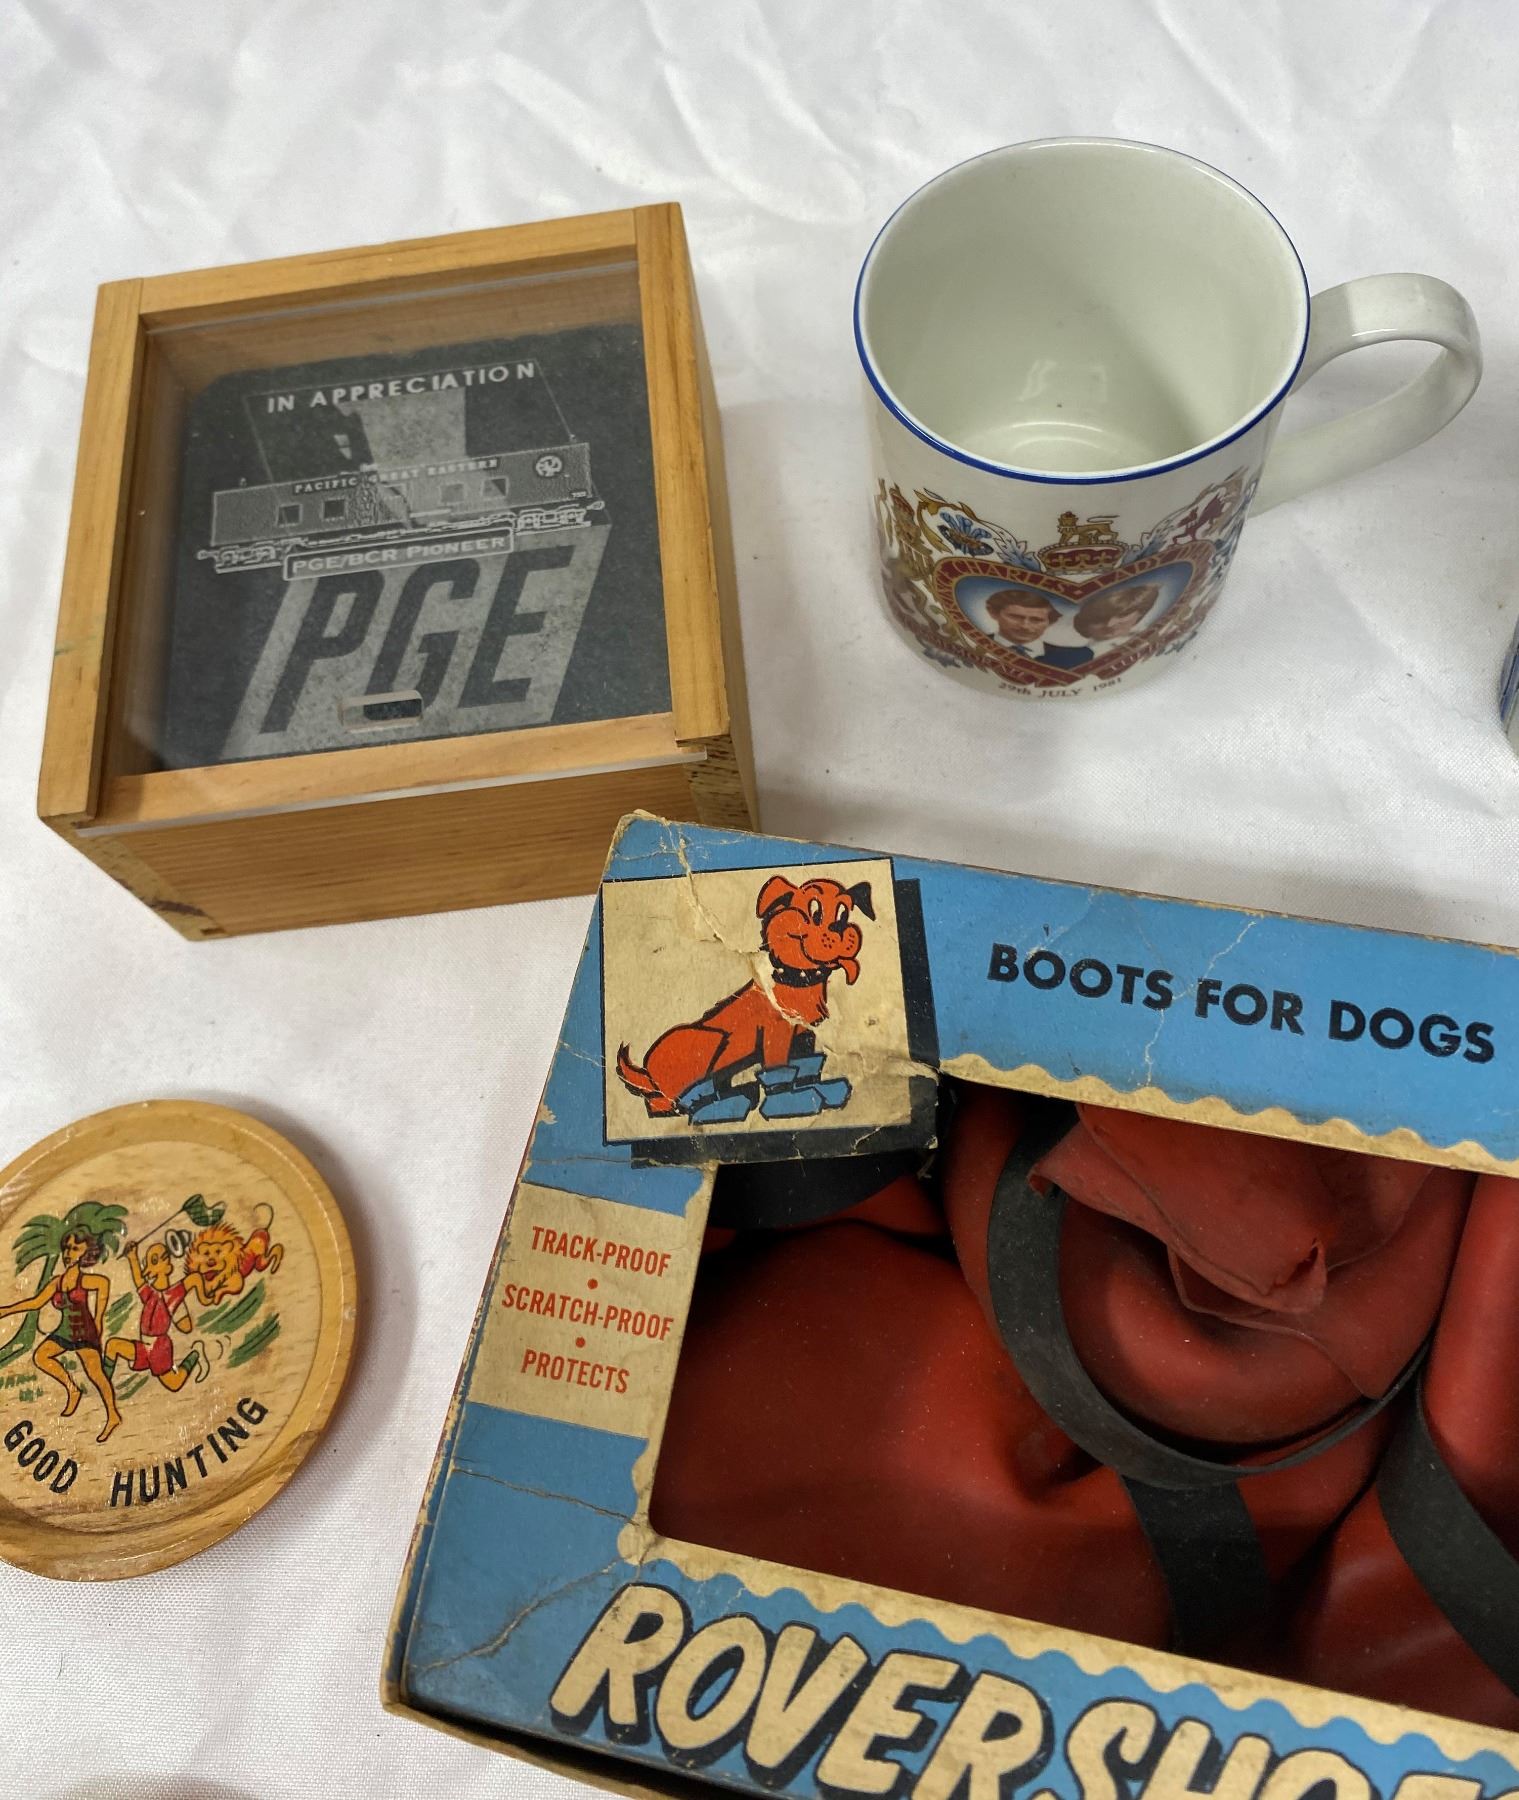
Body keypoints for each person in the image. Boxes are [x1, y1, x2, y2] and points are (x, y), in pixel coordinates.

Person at [0, 1227, 121, 1443]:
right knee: (41, 1356)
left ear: (85, 1252)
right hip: (65, 1331)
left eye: (75, 1248)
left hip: (84, 1332)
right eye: (67, 1248)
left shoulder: (85, 1280)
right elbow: (36, 1302)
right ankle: (72, 1389)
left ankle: (113, 1415)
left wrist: (99, 1319)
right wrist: (7, 1310)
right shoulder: (57, 1282)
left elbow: (104, 1284)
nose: (68, 1252)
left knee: (96, 1374)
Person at [104, 1240, 207, 1393]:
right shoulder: (150, 1294)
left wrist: (204, 1297)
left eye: (154, 1261)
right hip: (145, 1346)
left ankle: (196, 1354)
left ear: (168, 1267)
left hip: (159, 1348)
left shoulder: (172, 1295)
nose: (149, 1267)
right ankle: (102, 1385)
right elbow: (139, 1280)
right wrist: (133, 1257)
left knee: (174, 1383)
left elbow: (194, 1279)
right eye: (148, 1262)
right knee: (113, 1346)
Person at [981, 588, 1092, 670]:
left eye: (1036, 620)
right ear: (993, 613)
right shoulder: (977, 644)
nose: (1025, 626)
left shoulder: (1078, 657)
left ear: (1050, 622)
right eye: (1015, 617)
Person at [1073, 582, 1162, 645]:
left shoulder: (1152, 630)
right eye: (1099, 620)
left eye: (1121, 615)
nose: (1110, 624)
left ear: (1140, 613)